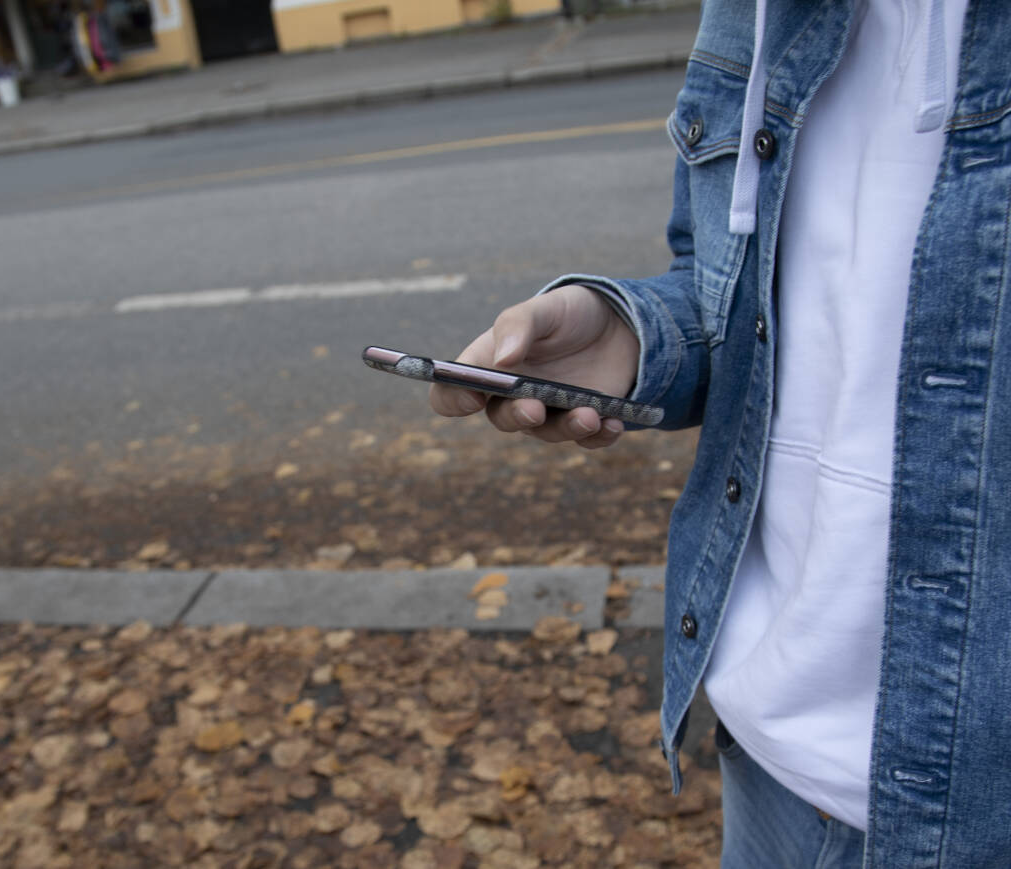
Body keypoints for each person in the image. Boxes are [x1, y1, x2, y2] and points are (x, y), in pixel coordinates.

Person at [429, 0, 1010, 865]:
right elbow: (732, 295)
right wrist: (630, 338)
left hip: (970, 801)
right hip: (765, 745)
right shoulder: (756, 12)